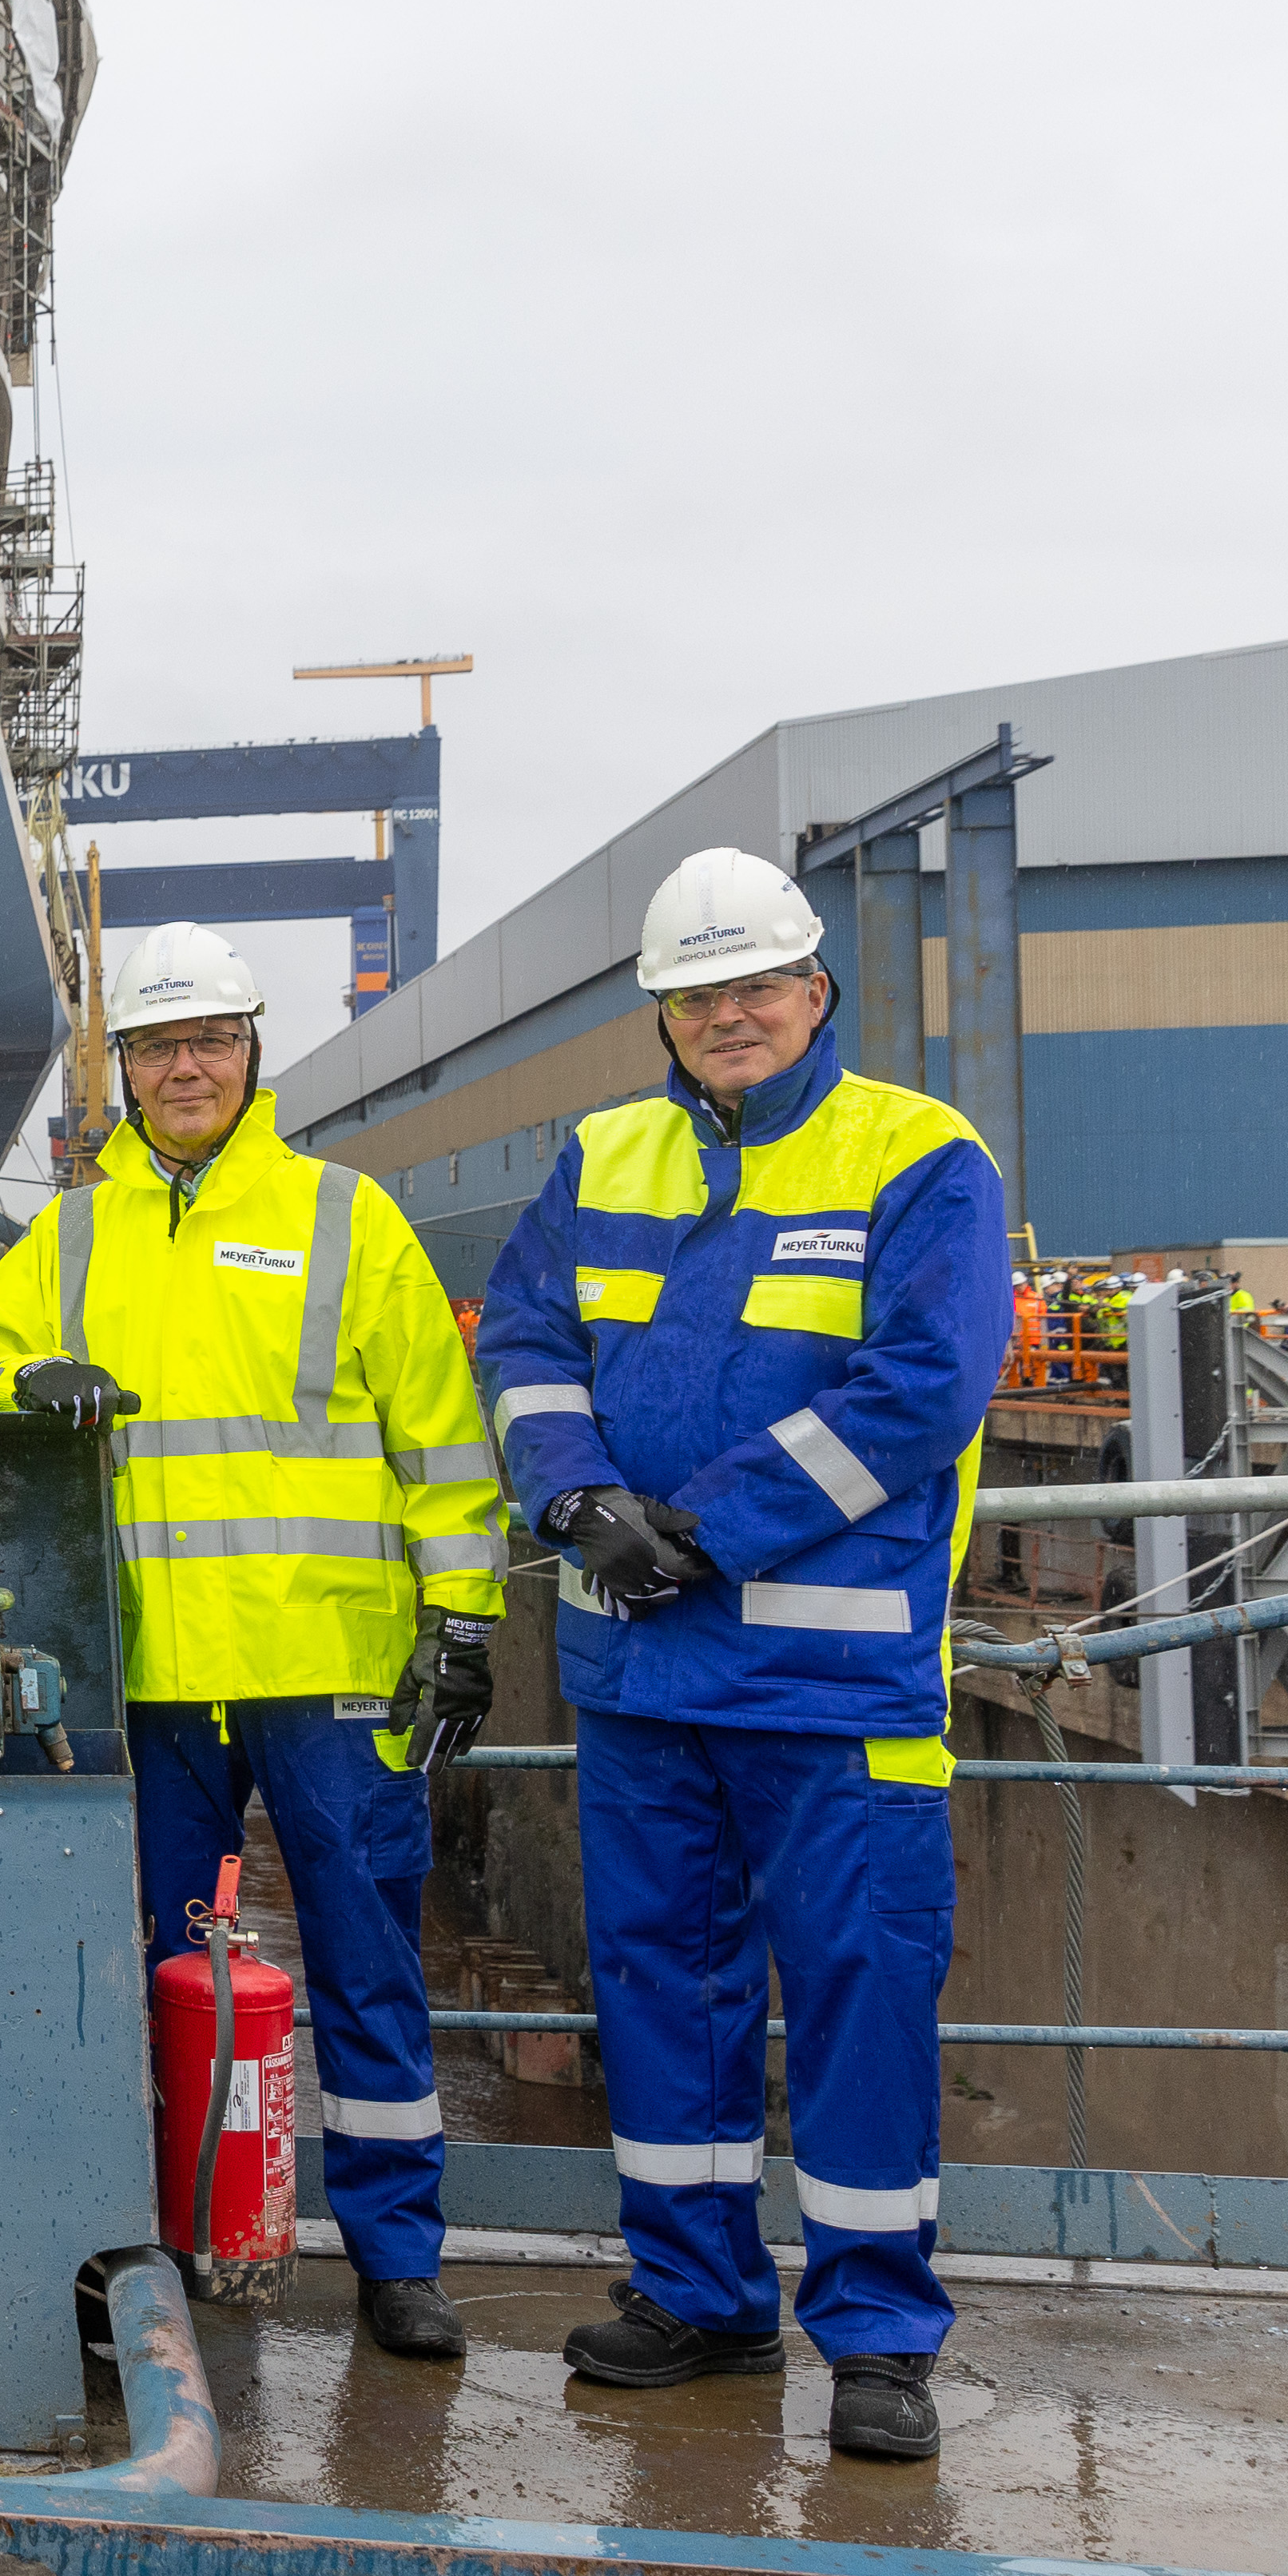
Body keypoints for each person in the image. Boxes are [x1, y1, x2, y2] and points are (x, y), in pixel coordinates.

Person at [477, 847, 1009, 2465]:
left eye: (755, 986)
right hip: (640, 1683)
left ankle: (876, 2330)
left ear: (815, 989)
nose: (728, 1015)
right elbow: (523, 1340)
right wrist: (575, 1497)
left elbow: (923, 1387)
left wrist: (700, 1528)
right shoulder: (603, 1149)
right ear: (662, 1010)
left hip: (829, 1686)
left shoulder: (921, 1157)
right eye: (696, 994)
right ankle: (699, 2297)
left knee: (859, 1992)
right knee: (661, 1991)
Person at [0, 921, 504, 2361]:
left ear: (253, 1052)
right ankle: (151, 2235)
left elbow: (439, 1434)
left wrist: (463, 1620)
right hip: (150, 1682)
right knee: (135, 1970)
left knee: (368, 1963)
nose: (185, 1069)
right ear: (119, 1067)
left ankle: (395, 2257)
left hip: (330, 1671)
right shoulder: (71, 1232)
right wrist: (22, 1378)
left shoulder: (344, 1218)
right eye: (158, 1048)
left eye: (210, 1043)